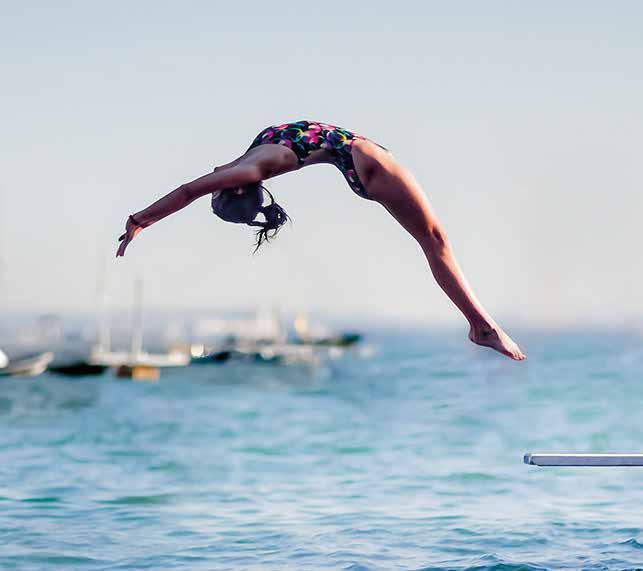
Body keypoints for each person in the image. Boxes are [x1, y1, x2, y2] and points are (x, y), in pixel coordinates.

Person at [116, 120, 525, 360]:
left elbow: (201, 183)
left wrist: (147, 217)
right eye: (217, 193)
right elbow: (189, 190)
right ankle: (481, 327)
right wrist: (140, 220)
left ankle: (480, 325)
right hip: (366, 164)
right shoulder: (248, 170)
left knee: (435, 241)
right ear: (236, 189)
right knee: (436, 241)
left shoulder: (241, 163)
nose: (214, 187)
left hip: (359, 160)